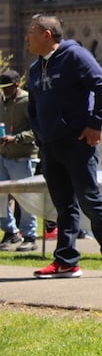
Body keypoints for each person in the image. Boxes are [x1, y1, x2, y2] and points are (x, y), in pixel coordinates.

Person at [25, 14, 102, 278]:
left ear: (47, 35)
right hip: (50, 146)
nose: (27, 38)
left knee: (89, 199)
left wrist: (95, 123)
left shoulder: (75, 56)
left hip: (77, 143)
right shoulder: (35, 68)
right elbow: (33, 107)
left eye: (31, 32)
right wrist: (40, 136)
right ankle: (67, 261)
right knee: (64, 206)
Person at [0, 70, 39, 252]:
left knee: (25, 198)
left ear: (16, 85)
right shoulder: (1, 101)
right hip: (3, 155)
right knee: (0, 198)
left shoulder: (28, 101)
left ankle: (30, 236)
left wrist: (16, 138)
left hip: (23, 156)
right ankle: (10, 231)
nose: (4, 92)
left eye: (7, 88)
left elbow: (37, 130)